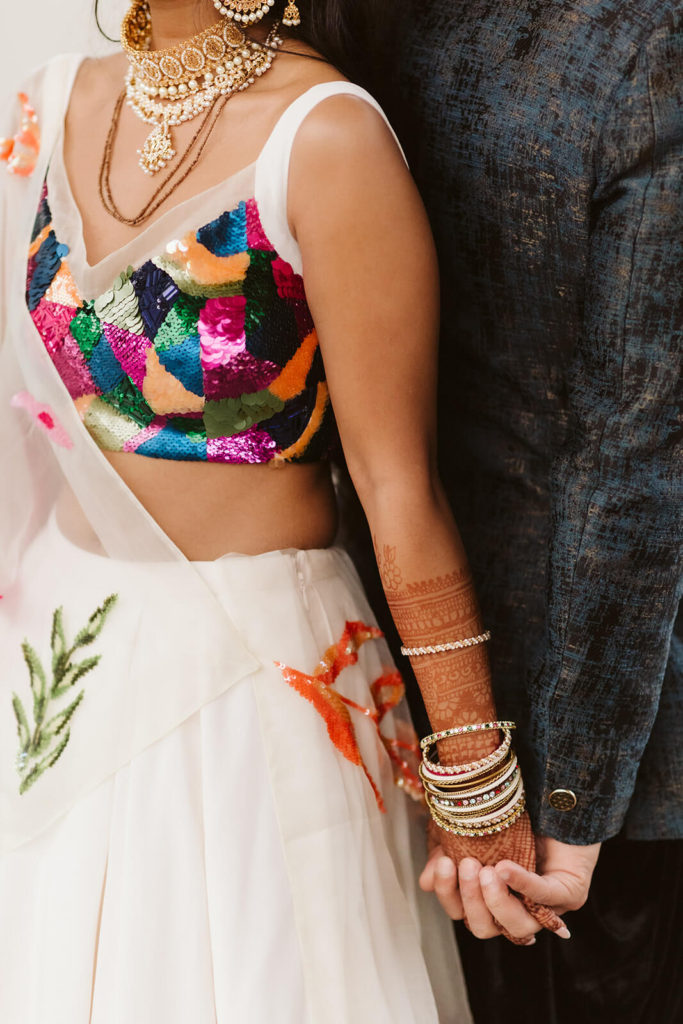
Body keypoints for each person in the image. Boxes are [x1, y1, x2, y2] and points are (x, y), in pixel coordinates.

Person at [0, 1, 572, 1021]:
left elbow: (400, 487)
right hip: (55, 660)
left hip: (251, 694)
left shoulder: (324, 136)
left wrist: (475, 788)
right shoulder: (44, 102)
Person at [399, 1, 683, 1021]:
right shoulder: (642, 44)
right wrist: (571, 804)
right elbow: (631, 453)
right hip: (602, 771)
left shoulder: (354, 27)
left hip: (406, 689)